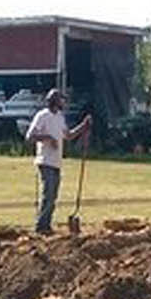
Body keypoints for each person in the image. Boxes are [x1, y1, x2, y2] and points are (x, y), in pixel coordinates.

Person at [24, 89, 92, 235]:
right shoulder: (42, 116)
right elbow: (30, 136)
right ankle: (41, 226)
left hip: (56, 162)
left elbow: (68, 135)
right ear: (55, 101)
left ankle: (46, 225)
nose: (64, 103)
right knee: (48, 194)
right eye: (62, 100)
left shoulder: (60, 117)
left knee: (53, 196)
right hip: (45, 160)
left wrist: (83, 126)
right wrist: (48, 138)